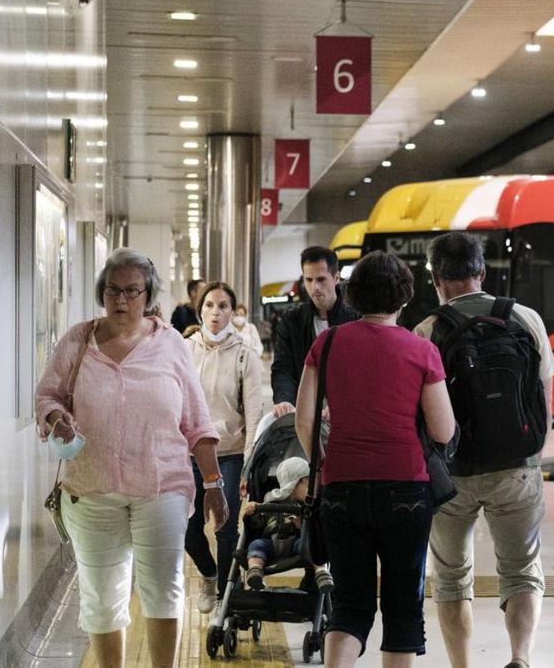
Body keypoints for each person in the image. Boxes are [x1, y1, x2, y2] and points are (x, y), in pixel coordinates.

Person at [35, 248, 228, 667]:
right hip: (91, 486)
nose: (121, 300)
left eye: (131, 291)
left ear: (149, 296)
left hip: (161, 487)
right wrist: (56, 417)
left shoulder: (171, 344)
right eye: (112, 291)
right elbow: (47, 394)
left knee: (163, 588)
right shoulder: (78, 340)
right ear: (102, 293)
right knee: (101, 597)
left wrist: (214, 484)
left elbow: (196, 420)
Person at [295, 250, 456, 668]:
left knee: (349, 606)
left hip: (341, 488)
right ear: (404, 298)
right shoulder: (422, 351)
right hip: (406, 489)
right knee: (403, 607)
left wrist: (329, 461)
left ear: (352, 294)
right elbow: (443, 431)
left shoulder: (326, 344)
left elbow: (303, 420)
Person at [413, 232, 554, 668]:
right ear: (482, 272)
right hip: (517, 467)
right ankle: (521, 658)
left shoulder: (427, 331)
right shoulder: (526, 318)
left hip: (451, 474)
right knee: (522, 570)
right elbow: (544, 398)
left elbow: (421, 415)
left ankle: (462, 666)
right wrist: (529, 455)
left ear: (435, 278)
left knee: (452, 579)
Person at [184, 282, 267, 614]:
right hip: (188, 453)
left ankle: (225, 597)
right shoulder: (185, 349)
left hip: (229, 452)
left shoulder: (245, 354)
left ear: (234, 313)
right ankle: (208, 573)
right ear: (199, 309)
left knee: (225, 527)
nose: (215, 312)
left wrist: (248, 461)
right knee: (188, 529)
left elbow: (254, 409)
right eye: (209, 306)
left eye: (223, 306)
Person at [271, 246, 359, 419]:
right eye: (308, 280)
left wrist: (343, 403)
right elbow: (283, 367)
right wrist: (284, 399)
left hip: (349, 412)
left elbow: (363, 370)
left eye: (321, 279)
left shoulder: (356, 318)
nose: (314, 287)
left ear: (336, 278)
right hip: (305, 411)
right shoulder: (291, 320)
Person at [242, 456, 333, 593]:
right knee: (256, 545)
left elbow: (315, 530)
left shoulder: (309, 506)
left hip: (296, 543)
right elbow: (256, 524)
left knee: (314, 546)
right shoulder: (270, 500)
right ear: (294, 483)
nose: (314, 487)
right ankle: (255, 571)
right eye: (308, 482)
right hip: (270, 541)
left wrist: (302, 525)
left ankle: (321, 571)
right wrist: (252, 511)